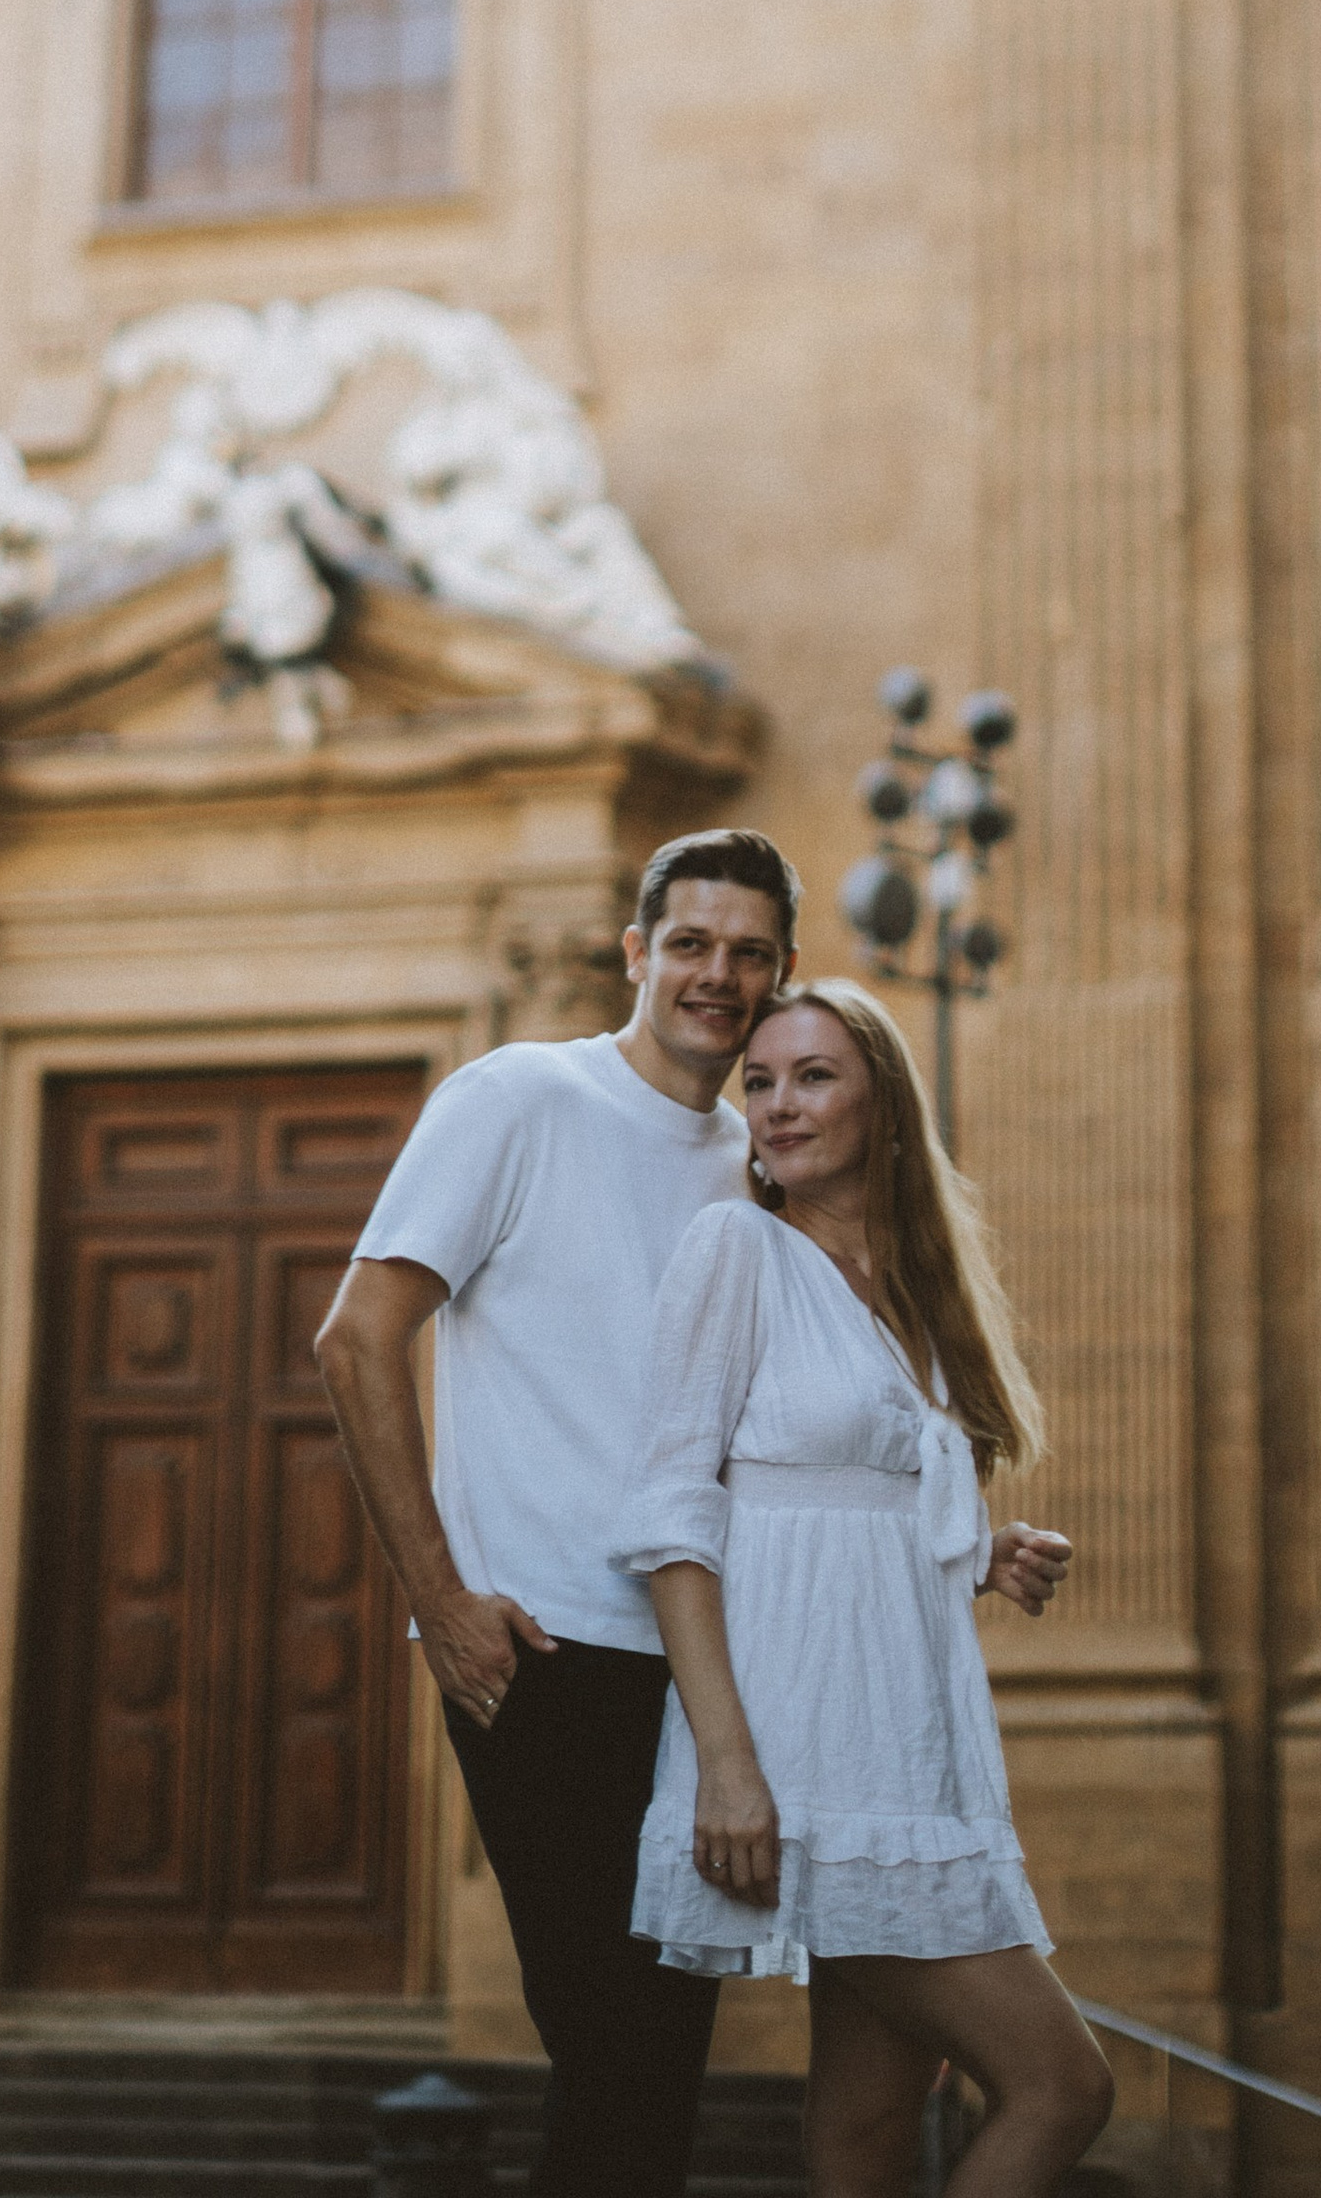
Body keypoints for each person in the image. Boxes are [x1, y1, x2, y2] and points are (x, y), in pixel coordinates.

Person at [314, 829, 799, 2198]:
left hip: (706, 1669)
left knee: (647, 2076)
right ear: (636, 953)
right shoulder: (520, 1097)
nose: (719, 973)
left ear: (781, 975)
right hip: (542, 1647)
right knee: (620, 2048)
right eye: (692, 943)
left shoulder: (756, 1159)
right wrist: (440, 1601)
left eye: (749, 951)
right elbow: (356, 1341)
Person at [616, 979, 1114, 2198]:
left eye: (813, 1076)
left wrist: (973, 1549)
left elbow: (836, 1497)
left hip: (904, 1741)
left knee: (869, 2128)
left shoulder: (907, 1301)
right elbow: (676, 1515)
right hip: (801, 1754)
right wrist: (727, 1768)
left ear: (882, 1102)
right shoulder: (738, 1247)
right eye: (761, 1081)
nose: (777, 1107)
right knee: (1062, 2087)